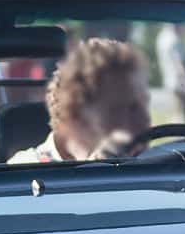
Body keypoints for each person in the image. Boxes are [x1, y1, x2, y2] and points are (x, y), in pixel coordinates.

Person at [9, 38, 152, 163]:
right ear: (75, 115)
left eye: (144, 105)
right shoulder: (24, 172)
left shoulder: (155, 168)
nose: (144, 120)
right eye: (119, 110)